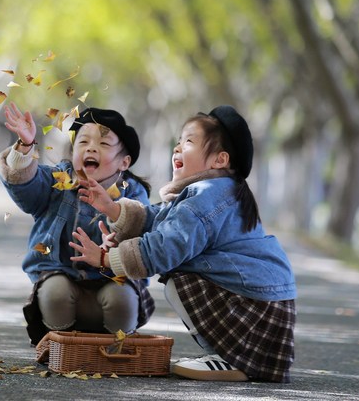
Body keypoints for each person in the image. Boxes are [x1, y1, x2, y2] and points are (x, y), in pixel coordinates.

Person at [70, 105, 296, 382]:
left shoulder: (206, 197)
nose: (177, 149)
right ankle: (230, 356)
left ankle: (230, 359)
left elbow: (164, 249)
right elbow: (159, 219)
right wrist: (112, 208)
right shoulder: (214, 190)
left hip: (257, 307)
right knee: (180, 272)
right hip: (264, 303)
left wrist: (105, 260)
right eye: (177, 142)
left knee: (178, 278)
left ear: (219, 160)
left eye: (188, 142)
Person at [0, 102, 155, 345]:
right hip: (62, 287)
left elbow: (141, 228)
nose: (91, 148)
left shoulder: (132, 193)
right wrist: (26, 146)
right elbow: (25, 186)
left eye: (103, 144)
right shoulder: (59, 180)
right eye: (83, 142)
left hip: (113, 287)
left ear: (124, 163)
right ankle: (64, 347)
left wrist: (113, 210)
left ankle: (115, 348)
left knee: (121, 298)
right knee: (55, 292)